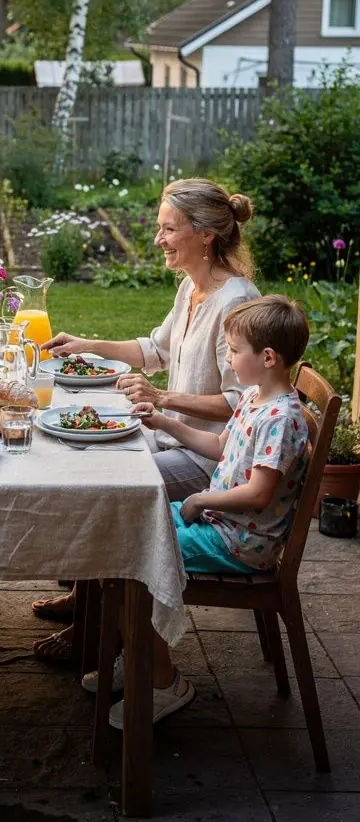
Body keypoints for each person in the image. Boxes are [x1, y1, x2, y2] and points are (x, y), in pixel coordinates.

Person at [32, 178, 259, 663]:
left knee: (105, 488)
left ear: (205, 235)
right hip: (172, 435)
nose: (158, 239)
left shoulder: (235, 302)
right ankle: (86, 601)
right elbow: (153, 350)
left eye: (168, 229)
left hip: (209, 456)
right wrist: (87, 344)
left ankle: (95, 629)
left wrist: (162, 398)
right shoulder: (192, 288)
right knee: (87, 460)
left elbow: (241, 402)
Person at [105, 293, 310, 727]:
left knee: (137, 553)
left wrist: (200, 499)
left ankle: (163, 680)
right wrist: (164, 421)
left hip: (239, 542)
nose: (230, 360)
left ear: (267, 357)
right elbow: (219, 446)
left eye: (235, 351)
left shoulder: (280, 418)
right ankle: (142, 654)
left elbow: (258, 493)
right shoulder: (256, 399)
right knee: (126, 531)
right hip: (223, 525)